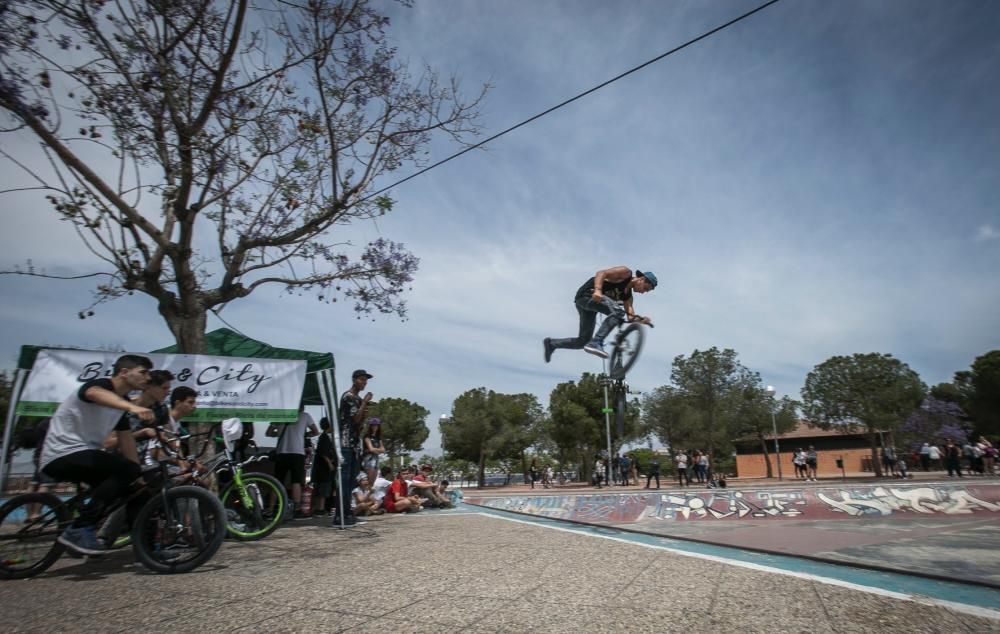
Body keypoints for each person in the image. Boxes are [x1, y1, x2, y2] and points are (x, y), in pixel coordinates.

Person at [39, 354, 154, 555]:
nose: (148, 378)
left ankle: (147, 551)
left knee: (137, 491)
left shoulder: (120, 406)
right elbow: (94, 393)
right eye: (143, 372)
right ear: (124, 372)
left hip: (87, 456)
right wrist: (132, 407)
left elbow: (127, 443)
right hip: (62, 454)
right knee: (126, 470)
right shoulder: (100, 386)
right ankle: (80, 528)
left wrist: (138, 478)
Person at [543, 267, 657, 361]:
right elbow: (601, 273)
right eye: (645, 288)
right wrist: (598, 289)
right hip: (587, 295)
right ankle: (596, 342)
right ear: (642, 279)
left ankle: (552, 344)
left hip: (589, 307)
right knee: (618, 312)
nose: (643, 292)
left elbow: (630, 316)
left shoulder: (627, 297)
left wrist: (641, 320)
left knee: (583, 341)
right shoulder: (626, 273)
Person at [333, 369, 374, 527]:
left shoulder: (356, 399)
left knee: (351, 480)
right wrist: (364, 402)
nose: (364, 383)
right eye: (361, 380)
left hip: (354, 444)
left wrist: (364, 411)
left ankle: (347, 512)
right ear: (354, 380)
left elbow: (359, 422)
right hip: (345, 443)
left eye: (365, 380)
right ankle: (339, 516)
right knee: (343, 480)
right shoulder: (348, 397)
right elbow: (354, 419)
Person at [266, 403, 319, 518]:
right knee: (296, 482)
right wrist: (303, 435)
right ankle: (297, 508)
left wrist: (279, 433)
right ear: (302, 407)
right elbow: (316, 431)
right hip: (297, 453)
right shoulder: (305, 416)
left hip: (282, 453)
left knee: (277, 482)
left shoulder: (280, 415)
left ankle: (270, 508)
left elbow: (268, 433)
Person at [311, 417, 336, 517]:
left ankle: (320, 508)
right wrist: (330, 463)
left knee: (322, 487)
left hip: (321, 468)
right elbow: (322, 452)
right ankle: (320, 509)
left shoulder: (326, 436)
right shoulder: (324, 437)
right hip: (323, 468)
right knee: (323, 488)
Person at [361, 417, 385, 484]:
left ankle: (369, 493)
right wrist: (378, 450)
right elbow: (371, 449)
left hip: (376, 458)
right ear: (370, 426)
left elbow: (383, 449)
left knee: (373, 481)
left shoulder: (378, 437)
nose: (375, 427)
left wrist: (376, 450)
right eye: (373, 425)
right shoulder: (367, 436)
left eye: (376, 425)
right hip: (369, 459)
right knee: (368, 479)